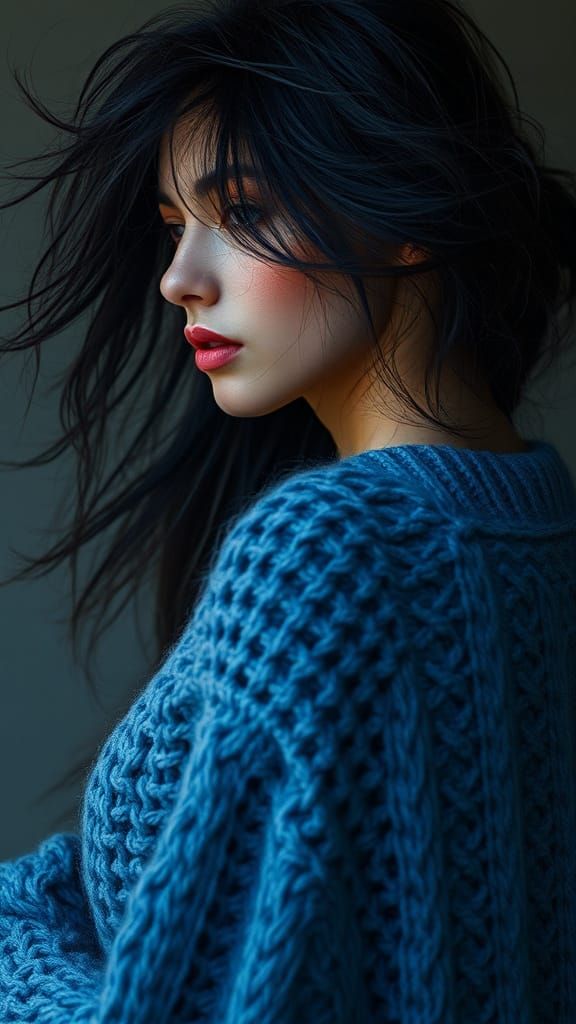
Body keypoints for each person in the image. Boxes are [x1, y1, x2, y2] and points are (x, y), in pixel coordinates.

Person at [1, 1, 575, 1021]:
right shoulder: (537, 520)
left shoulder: (326, 552)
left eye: (246, 212)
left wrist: (18, 935)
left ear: (407, 215)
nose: (179, 280)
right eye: (177, 229)